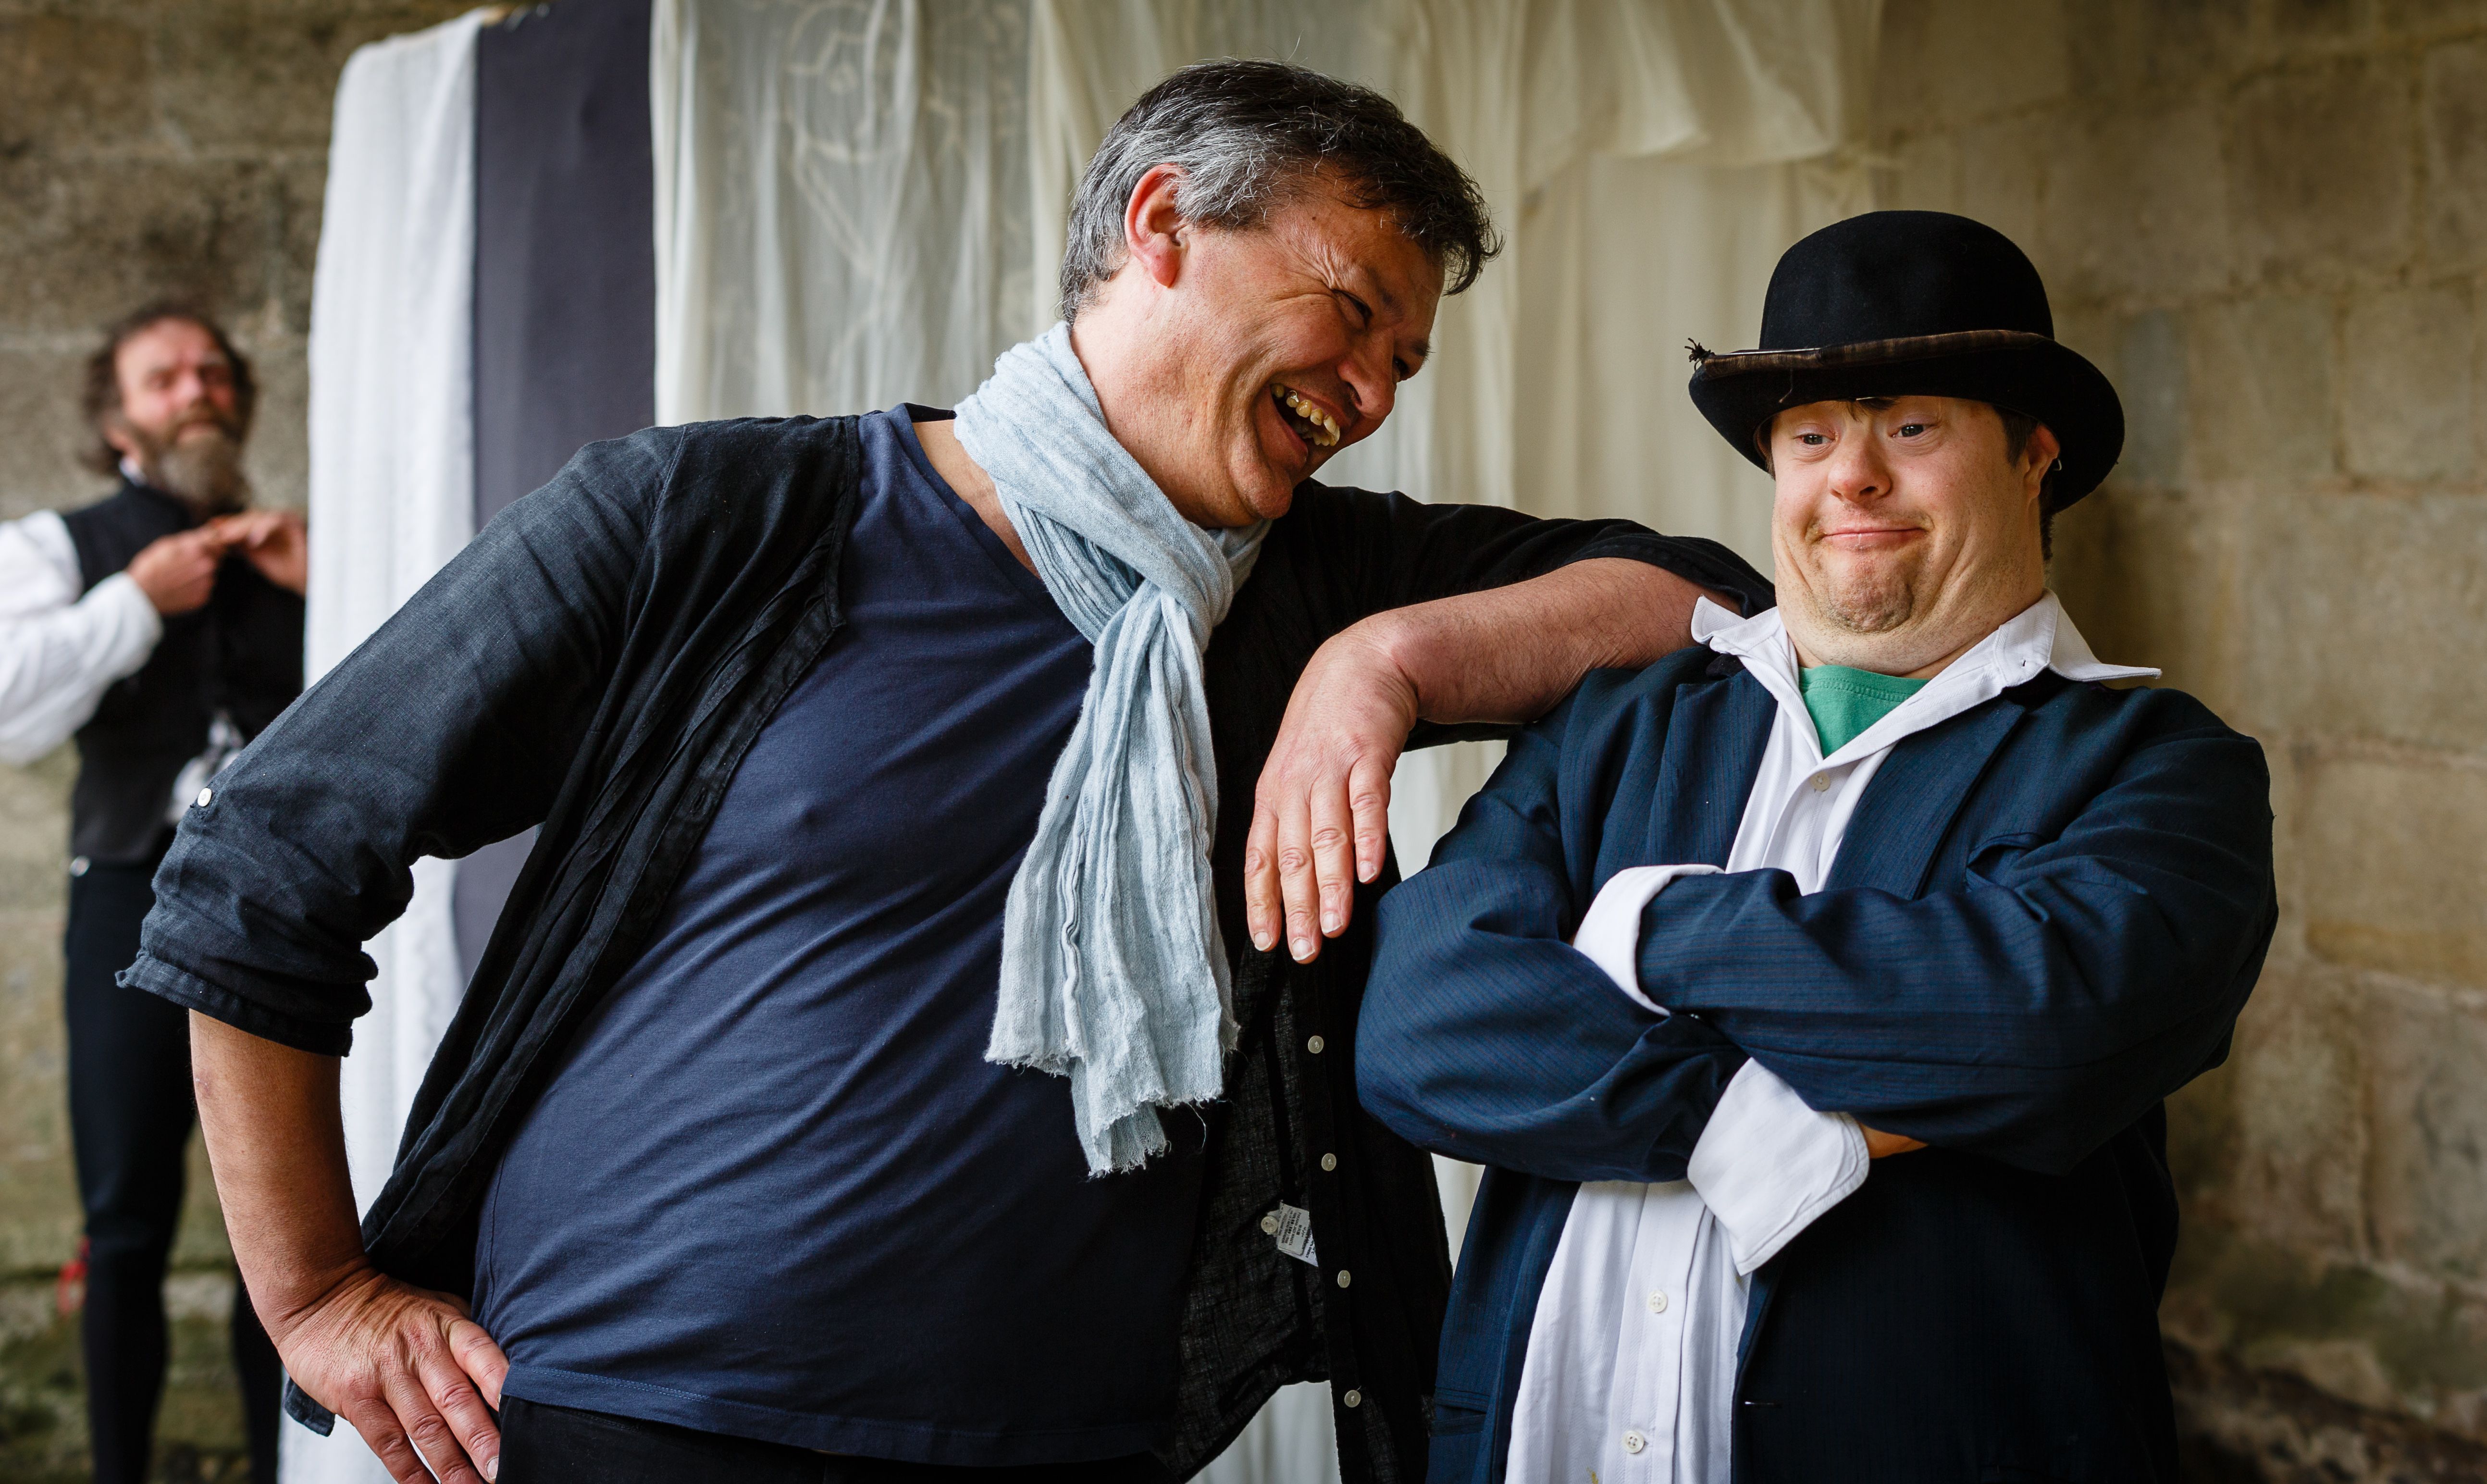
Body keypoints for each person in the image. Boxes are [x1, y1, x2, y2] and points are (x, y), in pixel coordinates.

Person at [127, 62, 1770, 1484]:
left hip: (1061, 1438)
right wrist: (319, 1293)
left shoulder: (1316, 582)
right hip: (636, 1412)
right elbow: (264, 854)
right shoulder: (717, 516)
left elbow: (1707, 597)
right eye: (1349, 315)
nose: (1366, 394)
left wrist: (1379, 662)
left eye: (1402, 364)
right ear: (1158, 227)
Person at [1358, 210, 2279, 1483]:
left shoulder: (2161, 768)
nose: (1849, 476)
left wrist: (1646, 924)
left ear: (2034, 456)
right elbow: (1420, 1028)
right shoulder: (1616, 722)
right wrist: (1749, 1123)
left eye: (1909, 426)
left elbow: (2040, 1024)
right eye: (1809, 435)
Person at [0, 304, 305, 1484]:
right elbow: (11, 707)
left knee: (274, 1229)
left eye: (216, 372)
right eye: (166, 374)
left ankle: (286, 1471)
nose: (199, 388)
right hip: (125, 899)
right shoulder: (53, 547)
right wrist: (131, 601)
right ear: (115, 410)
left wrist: (325, 582)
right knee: (125, 1216)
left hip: (284, 910)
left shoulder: (303, 547)